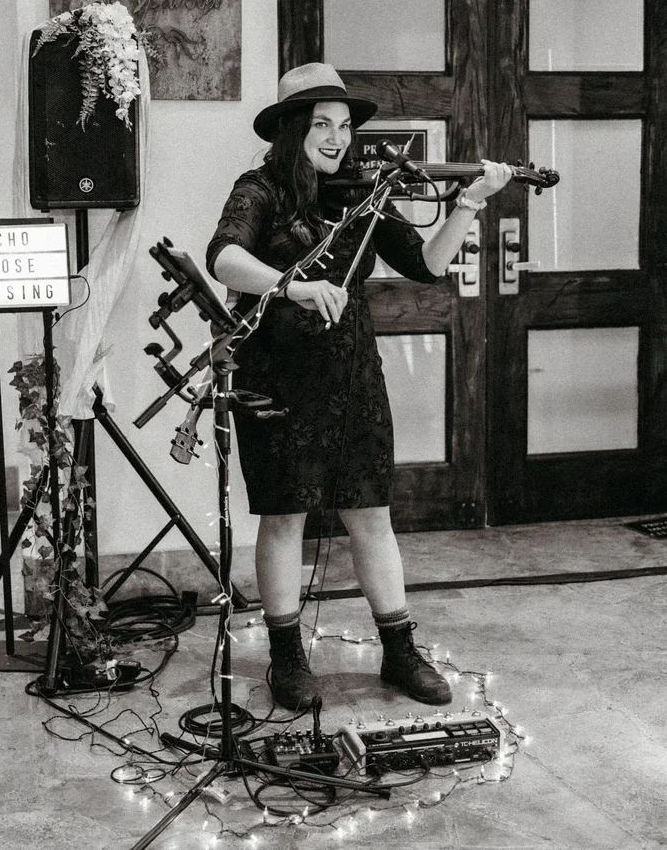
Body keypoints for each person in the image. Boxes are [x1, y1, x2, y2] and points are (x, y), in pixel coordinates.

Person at [206, 63, 511, 711]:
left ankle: (399, 651)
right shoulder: (259, 190)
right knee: (284, 516)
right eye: (321, 124)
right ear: (292, 129)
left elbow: (427, 263)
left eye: (343, 126)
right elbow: (224, 257)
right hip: (279, 380)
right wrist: (291, 283)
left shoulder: (358, 195)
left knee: (371, 512)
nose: (336, 138)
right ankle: (288, 658)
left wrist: (471, 200)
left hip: (350, 378)